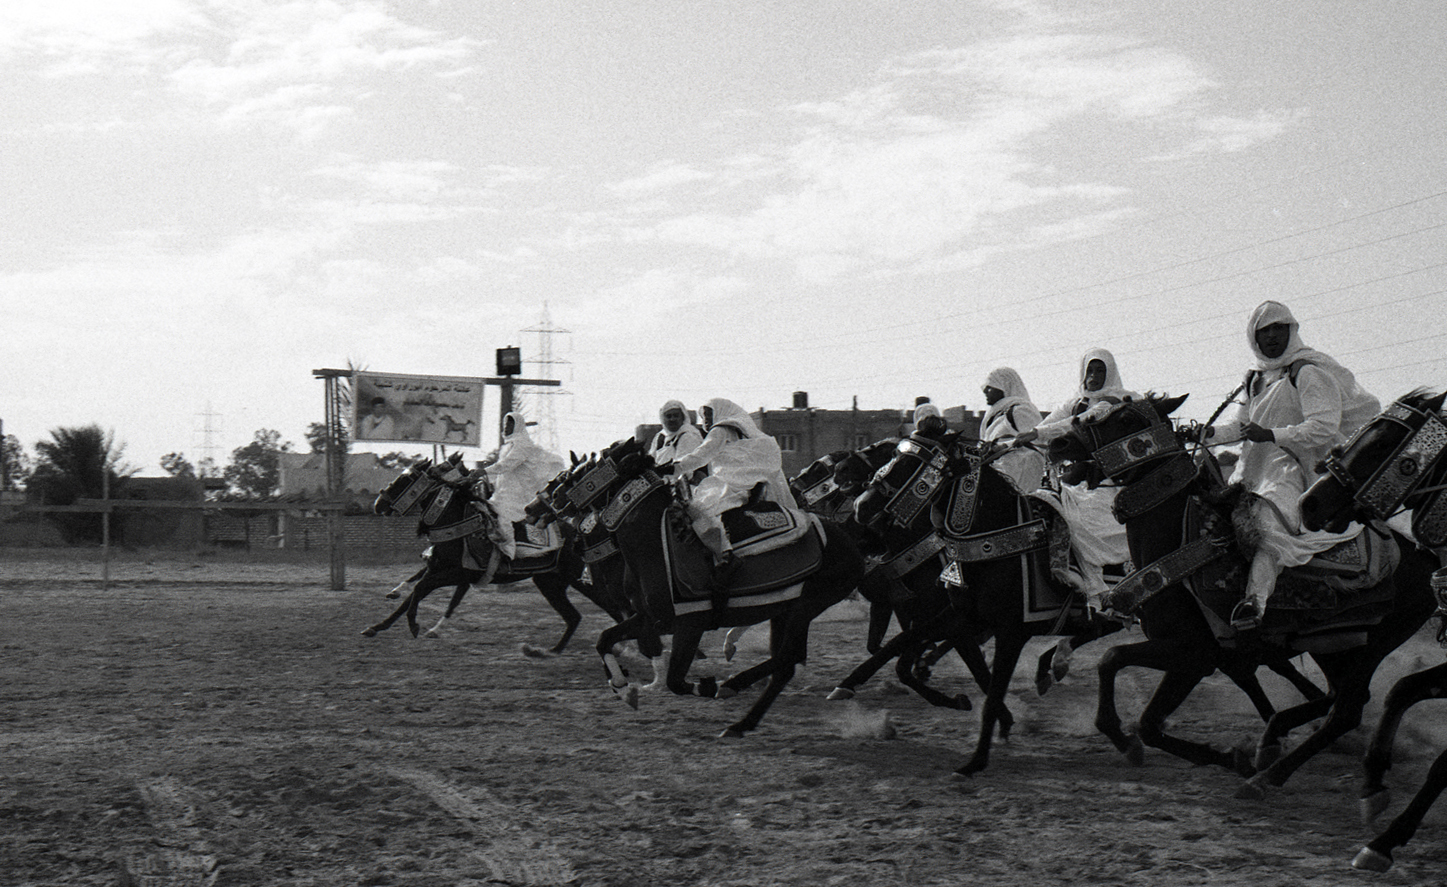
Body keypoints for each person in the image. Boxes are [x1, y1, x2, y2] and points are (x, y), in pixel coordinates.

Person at [1206, 300, 1381, 629]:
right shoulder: (1254, 378)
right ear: (1253, 336)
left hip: (1298, 468)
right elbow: (1239, 428)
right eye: (1265, 330)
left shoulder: (1308, 371)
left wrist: (1271, 434)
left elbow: (1323, 427)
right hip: (1252, 470)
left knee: (1268, 529)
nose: (1272, 336)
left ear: (1292, 330)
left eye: (1279, 328)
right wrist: (1205, 433)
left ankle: (1254, 604)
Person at [1015, 348, 1140, 610]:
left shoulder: (1116, 401)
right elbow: (1050, 424)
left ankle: (1097, 591)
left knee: (1077, 521)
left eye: (1100, 370)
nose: (1093, 376)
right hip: (1074, 485)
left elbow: (1079, 422)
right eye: (1089, 370)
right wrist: (1017, 440)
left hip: (1109, 485)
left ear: (1110, 373)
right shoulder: (1075, 401)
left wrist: (1036, 434)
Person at [673, 398, 799, 562]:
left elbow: (701, 456)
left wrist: (674, 468)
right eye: (704, 416)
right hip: (740, 481)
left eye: (709, 414)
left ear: (720, 413)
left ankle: (724, 553)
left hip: (731, 483)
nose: (706, 420)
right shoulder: (740, 430)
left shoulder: (720, 430)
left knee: (701, 508)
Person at [484, 412, 566, 558]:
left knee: (503, 519)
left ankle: (508, 554)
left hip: (519, 494)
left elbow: (506, 465)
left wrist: (482, 471)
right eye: (505, 424)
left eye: (510, 424)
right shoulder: (508, 446)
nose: (506, 427)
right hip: (505, 492)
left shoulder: (522, 445)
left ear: (518, 426)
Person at [981, 367, 1045, 493]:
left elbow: (1037, 444)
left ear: (1005, 386)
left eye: (990, 387)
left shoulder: (1022, 410)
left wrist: (1001, 447)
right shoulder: (996, 415)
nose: (985, 391)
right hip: (997, 474)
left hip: (1019, 479)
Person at [647, 400, 704, 469]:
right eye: (668, 416)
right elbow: (650, 460)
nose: (672, 419)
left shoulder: (689, 435)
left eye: (676, 416)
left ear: (682, 417)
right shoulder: (660, 436)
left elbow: (683, 467)